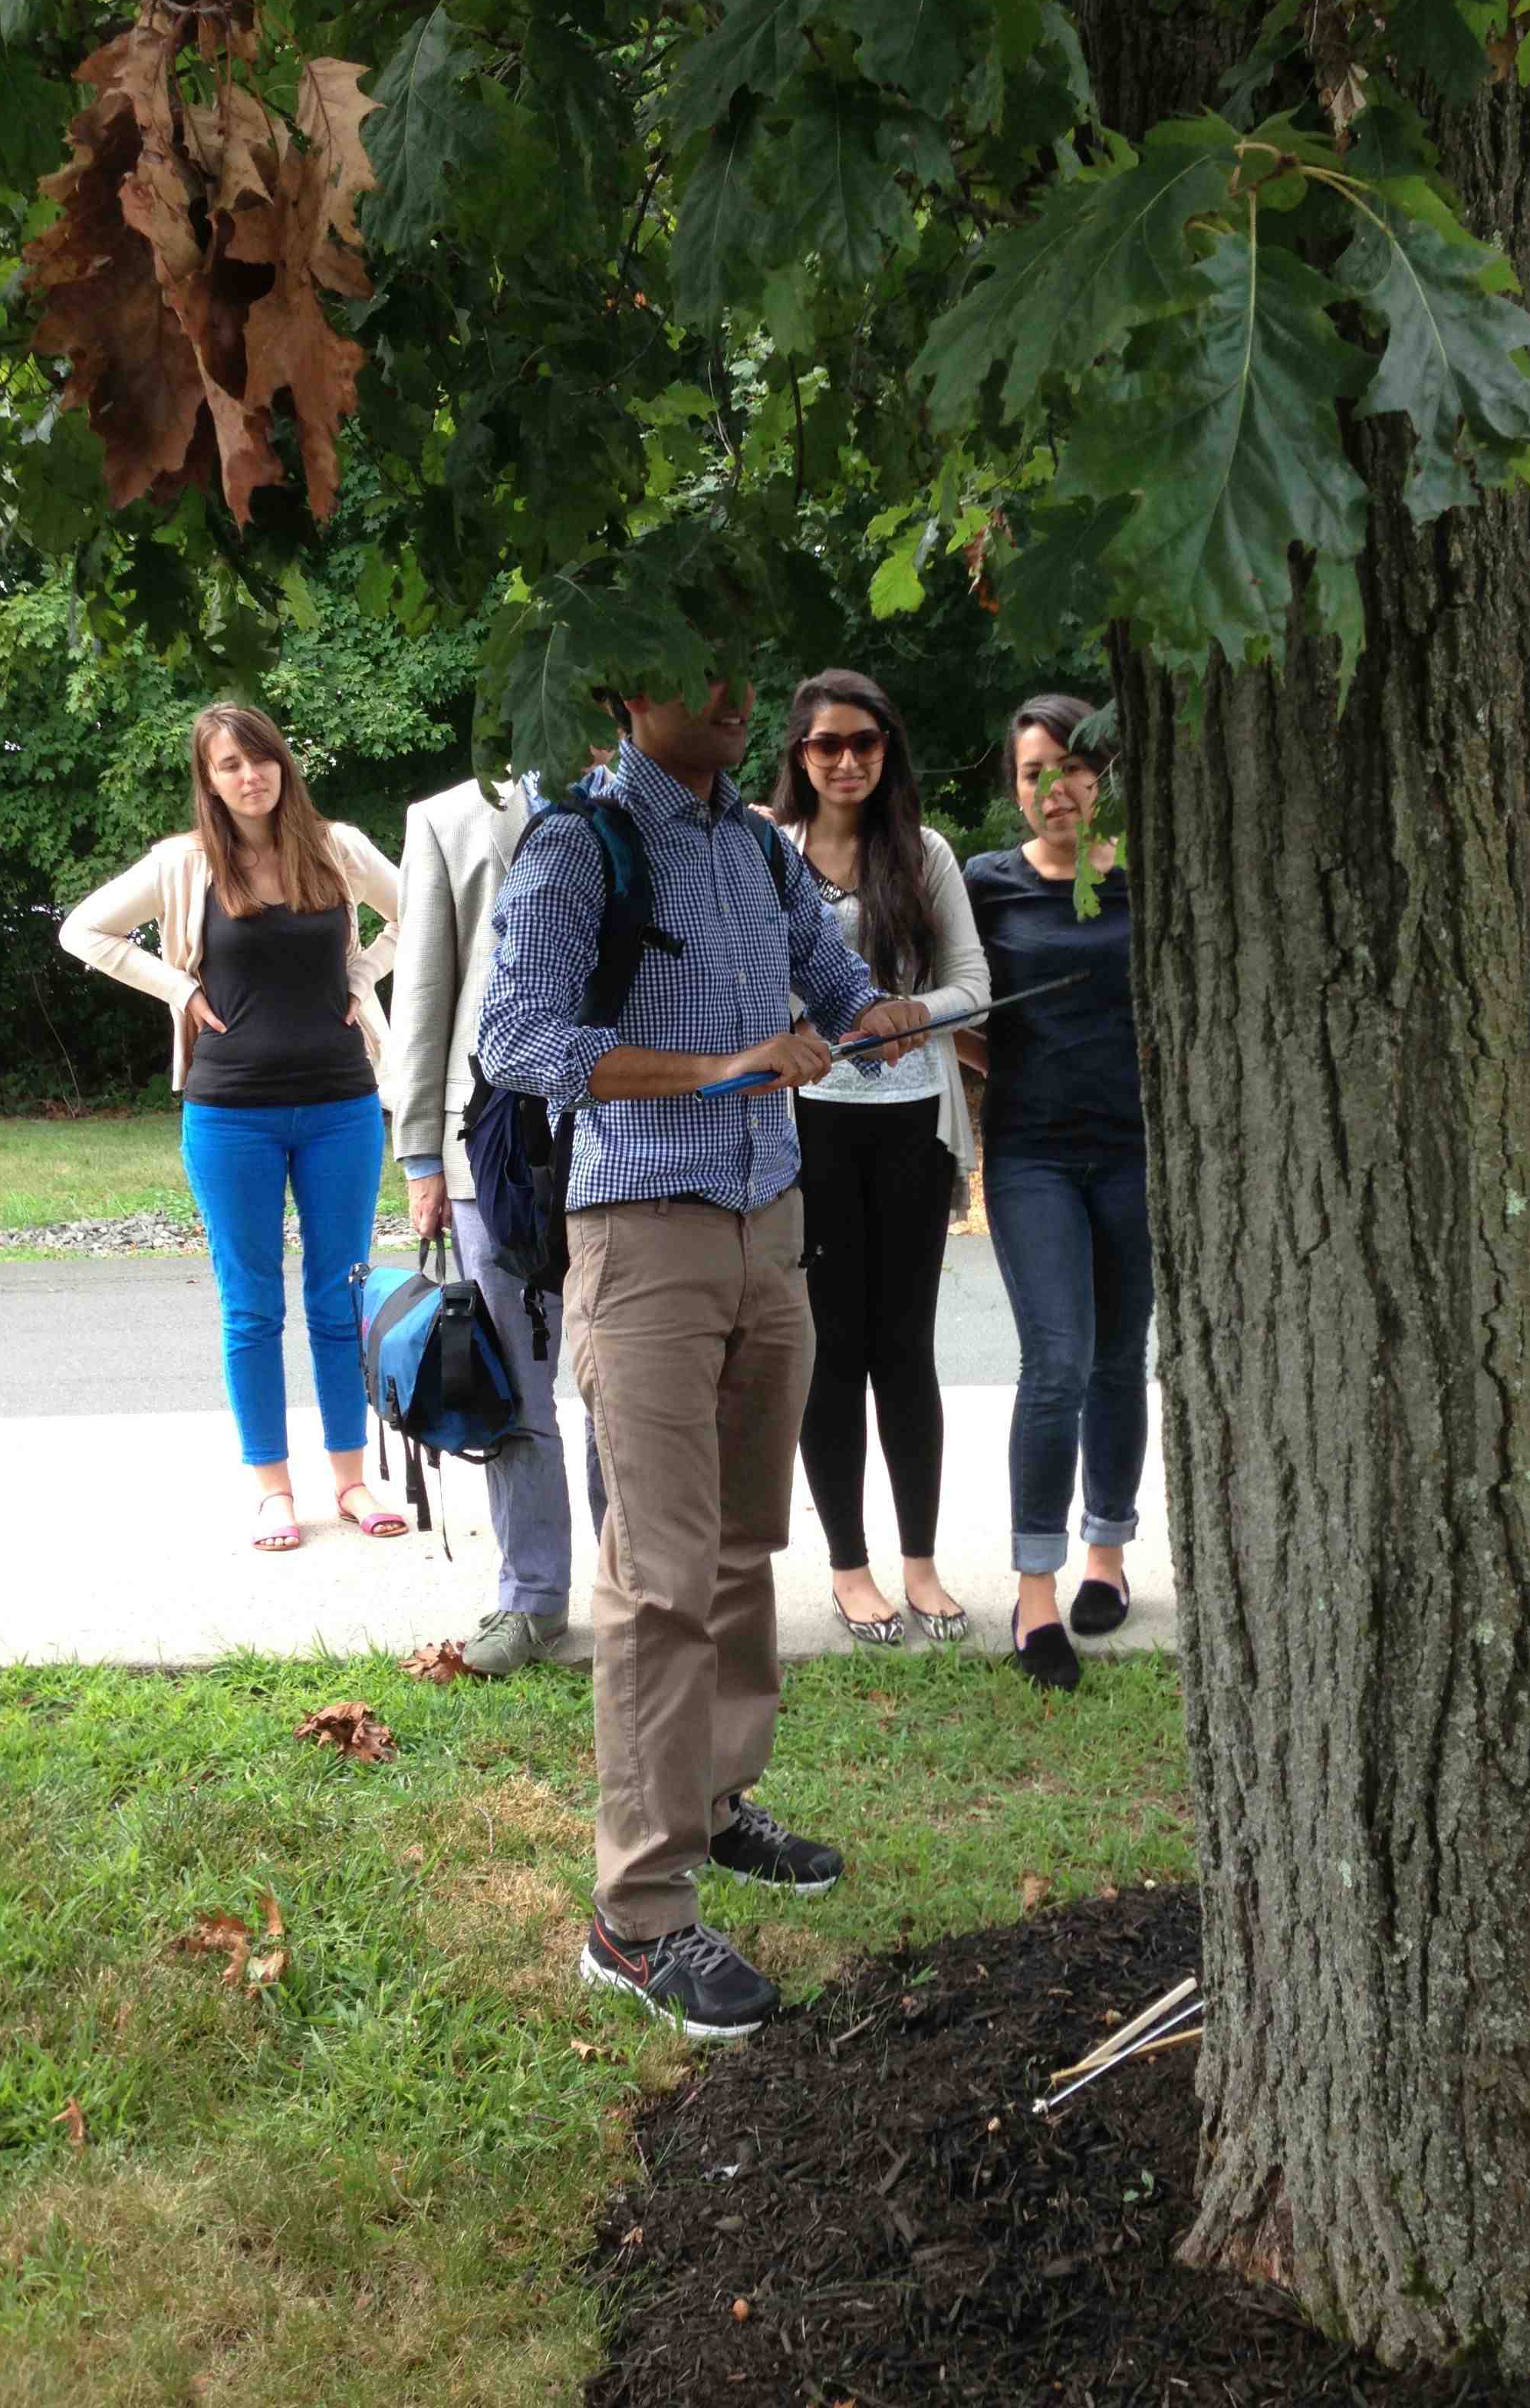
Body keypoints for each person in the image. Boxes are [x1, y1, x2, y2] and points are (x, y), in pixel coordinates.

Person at [476, 670, 929, 2038]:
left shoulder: (755, 846)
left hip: (766, 1227)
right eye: (697, 670)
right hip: (642, 1235)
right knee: (660, 1573)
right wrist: (721, 1066)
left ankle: (717, 1801)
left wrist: (873, 1016)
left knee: (740, 1547)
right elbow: (517, 1040)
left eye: (742, 667)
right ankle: (635, 1917)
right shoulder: (580, 842)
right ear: (626, 692)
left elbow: (832, 981)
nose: (735, 694)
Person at [60, 702, 402, 1551]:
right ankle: (272, 1490)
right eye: (229, 765)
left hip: (341, 1105)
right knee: (251, 1307)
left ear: (283, 763)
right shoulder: (184, 863)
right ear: (209, 781)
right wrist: (179, 989)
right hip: (229, 1112)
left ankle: (351, 1480)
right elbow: (84, 930)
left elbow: (423, 911)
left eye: (261, 758)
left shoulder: (338, 849)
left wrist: (363, 974)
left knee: (339, 1299)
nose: (251, 776)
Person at [769, 670, 989, 1645]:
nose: (847, 760)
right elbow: (747, 982)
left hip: (913, 1128)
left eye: (865, 741)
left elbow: (973, 984)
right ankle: (849, 1567)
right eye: (828, 744)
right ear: (800, 754)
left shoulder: (925, 852)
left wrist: (911, 1012)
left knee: (905, 1347)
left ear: (887, 749)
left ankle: (922, 1565)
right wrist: (795, 1026)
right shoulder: (769, 855)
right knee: (831, 1347)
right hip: (809, 1127)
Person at [388, 749, 611, 1674]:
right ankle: (533, 1602)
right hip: (488, 1148)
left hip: (626, 1138)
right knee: (516, 1388)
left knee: (624, 1388)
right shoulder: (447, 821)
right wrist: (420, 1154)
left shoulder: (656, 808)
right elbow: (423, 988)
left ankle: (640, 1594)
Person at [959, 694, 1151, 1693]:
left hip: (1136, 1154)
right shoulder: (986, 884)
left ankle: (1106, 1555)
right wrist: (1013, 1065)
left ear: (1103, 775)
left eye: (1073, 767)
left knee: (1120, 1359)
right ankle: (1035, 1593)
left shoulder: (1145, 878)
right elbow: (954, 1003)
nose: (1057, 788)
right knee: (1058, 1360)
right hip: (1031, 1155)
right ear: (1015, 786)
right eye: (1035, 772)